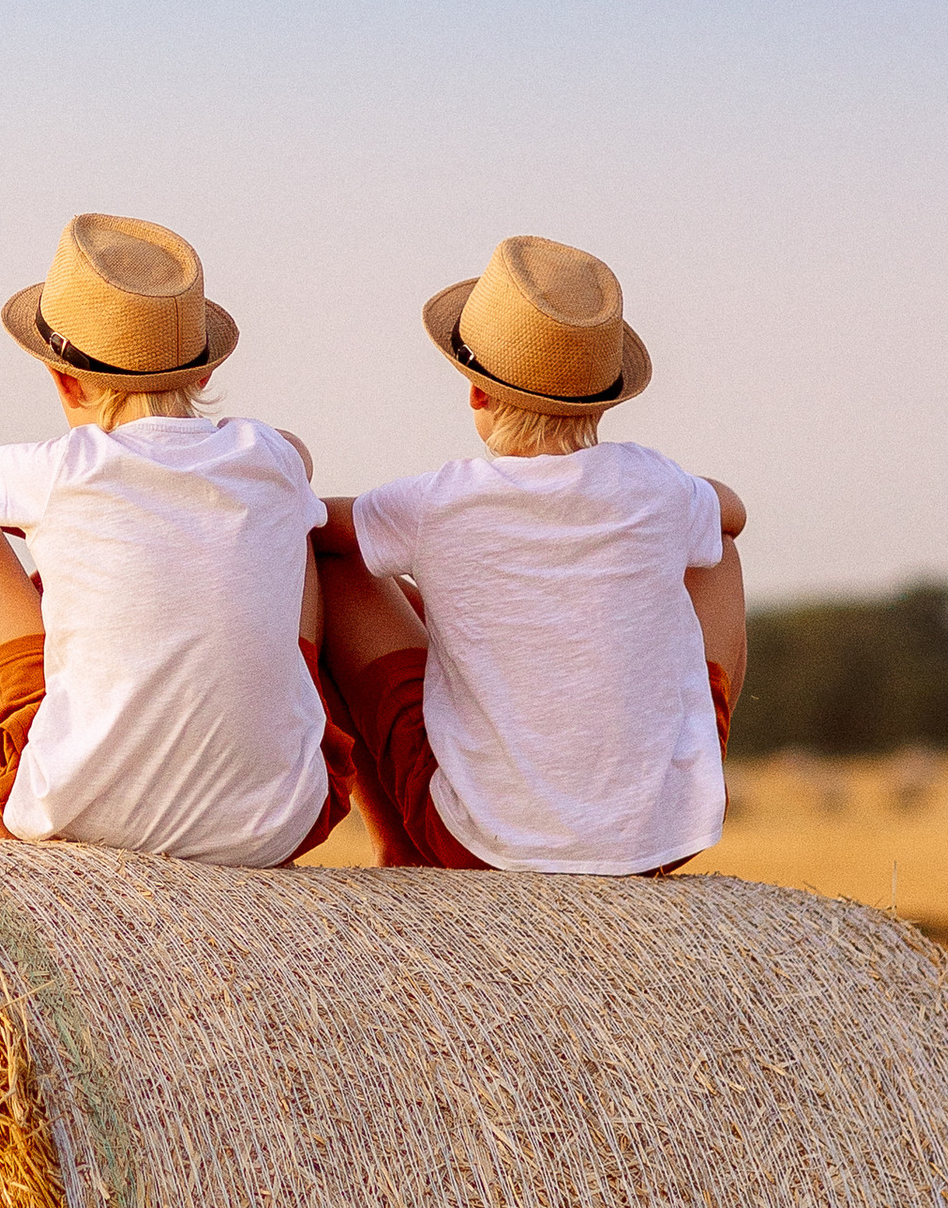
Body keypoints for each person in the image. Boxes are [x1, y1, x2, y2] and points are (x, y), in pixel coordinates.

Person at [0, 211, 353, 863]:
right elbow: (296, 460)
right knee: (293, 519)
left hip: (81, 816)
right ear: (205, 374)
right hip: (283, 821)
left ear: (63, 377)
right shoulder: (270, 455)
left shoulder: (61, 469)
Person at [315, 233, 746, 875]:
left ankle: (397, 844)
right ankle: (684, 771)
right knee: (718, 549)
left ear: (477, 393)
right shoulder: (656, 486)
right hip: (657, 844)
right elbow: (734, 514)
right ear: (607, 398)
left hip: (471, 846)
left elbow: (318, 527)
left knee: (344, 568)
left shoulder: (439, 502)